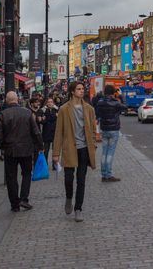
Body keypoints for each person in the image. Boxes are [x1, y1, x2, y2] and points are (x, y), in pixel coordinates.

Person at [52, 82, 97, 222]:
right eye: (78, 89)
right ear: (72, 91)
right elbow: (59, 132)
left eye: (83, 89)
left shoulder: (89, 108)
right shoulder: (64, 109)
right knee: (69, 179)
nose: (81, 91)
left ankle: (78, 209)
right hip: (69, 148)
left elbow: (93, 129)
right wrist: (55, 153)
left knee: (82, 180)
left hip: (84, 148)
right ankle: (69, 197)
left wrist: (93, 144)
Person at [0, 91, 43, 212]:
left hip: (10, 150)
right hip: (26, 149)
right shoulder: (27, 113)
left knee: (11, 177)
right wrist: (40, 145)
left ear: (6, 100)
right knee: (26, 174)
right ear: (17, 100)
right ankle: (23, 198)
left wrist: (3, 147)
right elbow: (36, 131)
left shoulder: (2, 115)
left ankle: (14, 204)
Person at [94, 84, 127, 182]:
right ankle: (108, 174)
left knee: (104, 152)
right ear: (113, 93)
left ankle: (103, 174)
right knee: (110, 152)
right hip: (114, 129)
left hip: (104, 129)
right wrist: (121, 96)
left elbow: (97, 114)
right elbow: (125, 107)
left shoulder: (100, 102)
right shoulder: (115, 103)